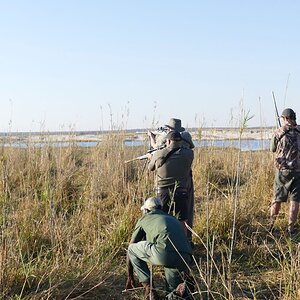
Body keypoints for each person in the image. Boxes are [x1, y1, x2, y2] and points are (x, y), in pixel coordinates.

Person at [125, 197, 192, 299]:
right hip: (185, 257)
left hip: (163, 254)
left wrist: (130, 277)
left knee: (132, 249)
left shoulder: (144, 218)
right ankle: (179, 292)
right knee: (171, 293)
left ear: (146, 210)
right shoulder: (173, 219)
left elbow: (131, 246)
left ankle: (149, 289)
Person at [148, 118, 195, 243]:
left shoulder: (161, 151)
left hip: (164, 187)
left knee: (162, 217)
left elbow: (152, 165)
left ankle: (164, 242)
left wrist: (153, 149)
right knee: (183, 216)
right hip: (182, 184)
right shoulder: (189, 152)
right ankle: (185, 242)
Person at [270, 108, 300, 235]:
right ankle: (290, 229)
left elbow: (272, 149)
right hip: (298, 171)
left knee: (277, 199)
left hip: (282, 172)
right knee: (295, 200)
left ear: (286, 119)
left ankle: (271, 226)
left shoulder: (278, 132)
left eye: (283, 119)